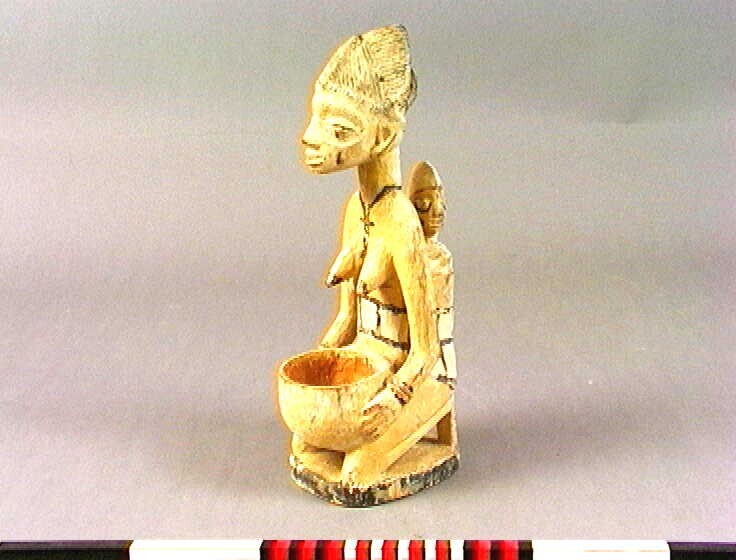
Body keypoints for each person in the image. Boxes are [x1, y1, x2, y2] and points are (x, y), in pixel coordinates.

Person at [299, 25, 455, 486]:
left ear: (383, 136)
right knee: (307, 440)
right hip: (366, 361)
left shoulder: (401, 222)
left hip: (415, 375)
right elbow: (347, 321)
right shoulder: (357, 209)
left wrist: (394, 398)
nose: (311, 138)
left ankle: (416, 422)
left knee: (356, 472)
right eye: (317, 118)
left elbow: (426, 350)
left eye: (340, 130)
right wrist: (321, 370)